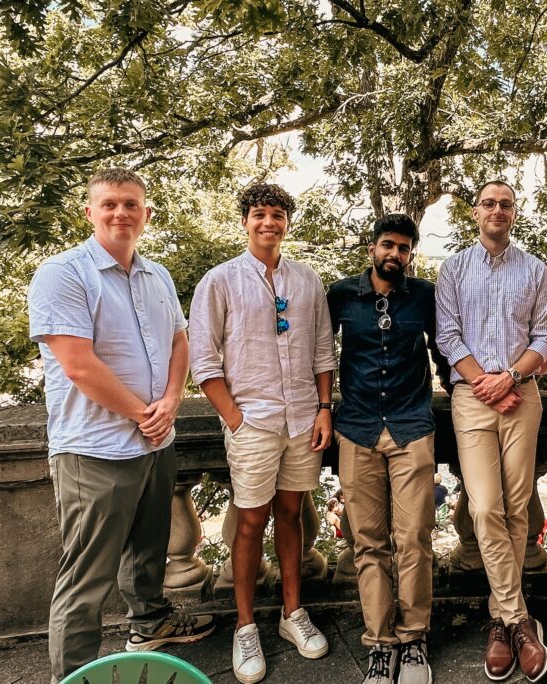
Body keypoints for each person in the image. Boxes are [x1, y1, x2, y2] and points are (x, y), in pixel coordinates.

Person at [28, 168, 216, 683]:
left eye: (131, 204)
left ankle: (150, 624)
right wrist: (143, 413)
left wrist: (171, 401)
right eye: (109, 203)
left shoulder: (158, 276)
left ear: (146, 214)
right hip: (94, 448)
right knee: (86, 576)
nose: (120, 213)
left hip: (155, 443)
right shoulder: (63, 273)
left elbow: (179, 341)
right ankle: (73, 676)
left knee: (148, 553)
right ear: (89, 212)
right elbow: (78, 365)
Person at [189, 182, 336, 684]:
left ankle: (293, 613)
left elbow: (323, 350)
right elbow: (204, 359)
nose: (269, 222)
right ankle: (246, 626)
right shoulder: (220, 281)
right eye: (259, 214)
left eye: (277, 214)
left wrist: (323, 409)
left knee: (292, 513)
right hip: (252, 421)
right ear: (245, 221)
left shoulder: (307, 280)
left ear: (287, 222)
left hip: (302, 418)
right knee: (251, 521)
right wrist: (235, 418)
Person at [435, 181, 547, 683]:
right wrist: (485, 385)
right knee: (485, 507)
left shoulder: (535, 270)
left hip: (521, 395)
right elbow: (447, 336)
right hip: (471, 398)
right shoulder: (453, 269)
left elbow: (546, 336)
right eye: (489, 203)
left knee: (516, 507)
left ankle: (498, 620)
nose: (497, 210)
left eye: (506, 204)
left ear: (514, 213)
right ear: (475, 212)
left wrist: (508, 378)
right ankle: (519, 619)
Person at [327, 213, 452, 684]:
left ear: (410, 254)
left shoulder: (424, 295)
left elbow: (443, 351)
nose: (394, 254)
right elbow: (319, 354)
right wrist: (321, 408)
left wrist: (460, 394)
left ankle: (414, 638)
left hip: (411, 428)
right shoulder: (341, 295)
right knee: (368, 542)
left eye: (403, 248)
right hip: (357, 428)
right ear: (372, 249)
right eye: (387, 245)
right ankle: (380, 643)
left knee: (414, 537)